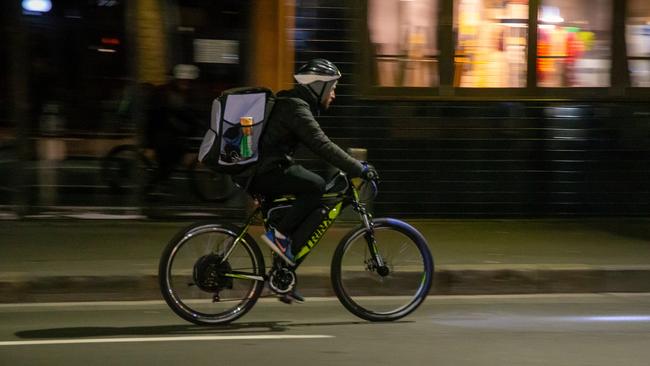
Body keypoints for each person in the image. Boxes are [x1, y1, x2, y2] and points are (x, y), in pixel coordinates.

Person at [248, 58, 378, 303]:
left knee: (307, 194)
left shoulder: (292, 103)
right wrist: (358, 168)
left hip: (263, 169)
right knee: (316, 186)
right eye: (333, 88)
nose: (334, 95)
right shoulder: (295, 108)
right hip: (265, 170)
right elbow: (322, 145)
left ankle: (282, 270)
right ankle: (280, 243)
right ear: (318, 86)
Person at [145, 64, 201, 195]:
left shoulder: (180, 93)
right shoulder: (167, 94)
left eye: (188, 81)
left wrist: (197, 125)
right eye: (183, 81)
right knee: (171, 154)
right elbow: (160, 117)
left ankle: (162, 182)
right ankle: (153, 186)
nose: (186, 83)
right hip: (158, 131)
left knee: (175, 152)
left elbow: (187, 114)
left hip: (168, 130)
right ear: (176, 80)